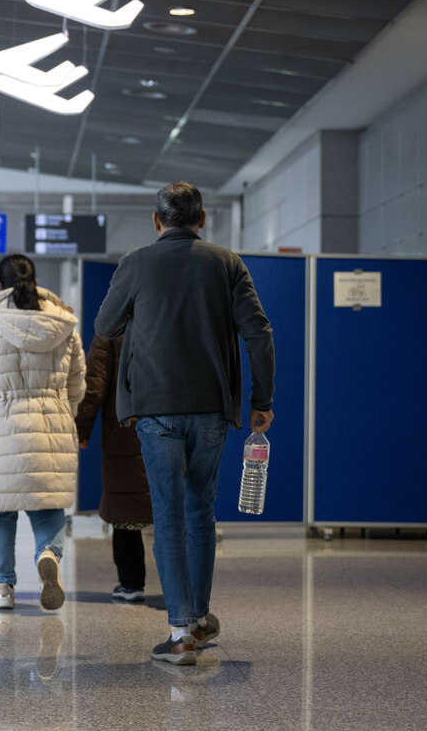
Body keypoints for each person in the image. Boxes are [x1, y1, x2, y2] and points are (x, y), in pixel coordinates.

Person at [93, 181, 274, 666]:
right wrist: (262, 400)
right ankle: (195, 620)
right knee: (200, 512)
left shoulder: (136, 262)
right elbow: (258, 333)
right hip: (212, 407)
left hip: (155, 409)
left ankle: (179, 635)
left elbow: (104, 326)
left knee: (168, 515)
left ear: (157, 221)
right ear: (202, 219)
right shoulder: (227, 263)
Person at [0, 254, 86, 612]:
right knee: (48, 503)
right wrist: (63, 413)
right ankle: (48, 553)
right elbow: (77, 385)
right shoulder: (65, 324)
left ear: (0, 285)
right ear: (35, 281)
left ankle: (2, 587)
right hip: (52, 423)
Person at [75, 334, 153, 603]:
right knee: (175, 512)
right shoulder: (175, 314)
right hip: (173, 423)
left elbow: (95, 383)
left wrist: (82, 427)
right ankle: (181, 588)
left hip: (126, 426)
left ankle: (131, 584)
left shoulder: (113, 324)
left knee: (126, 509)